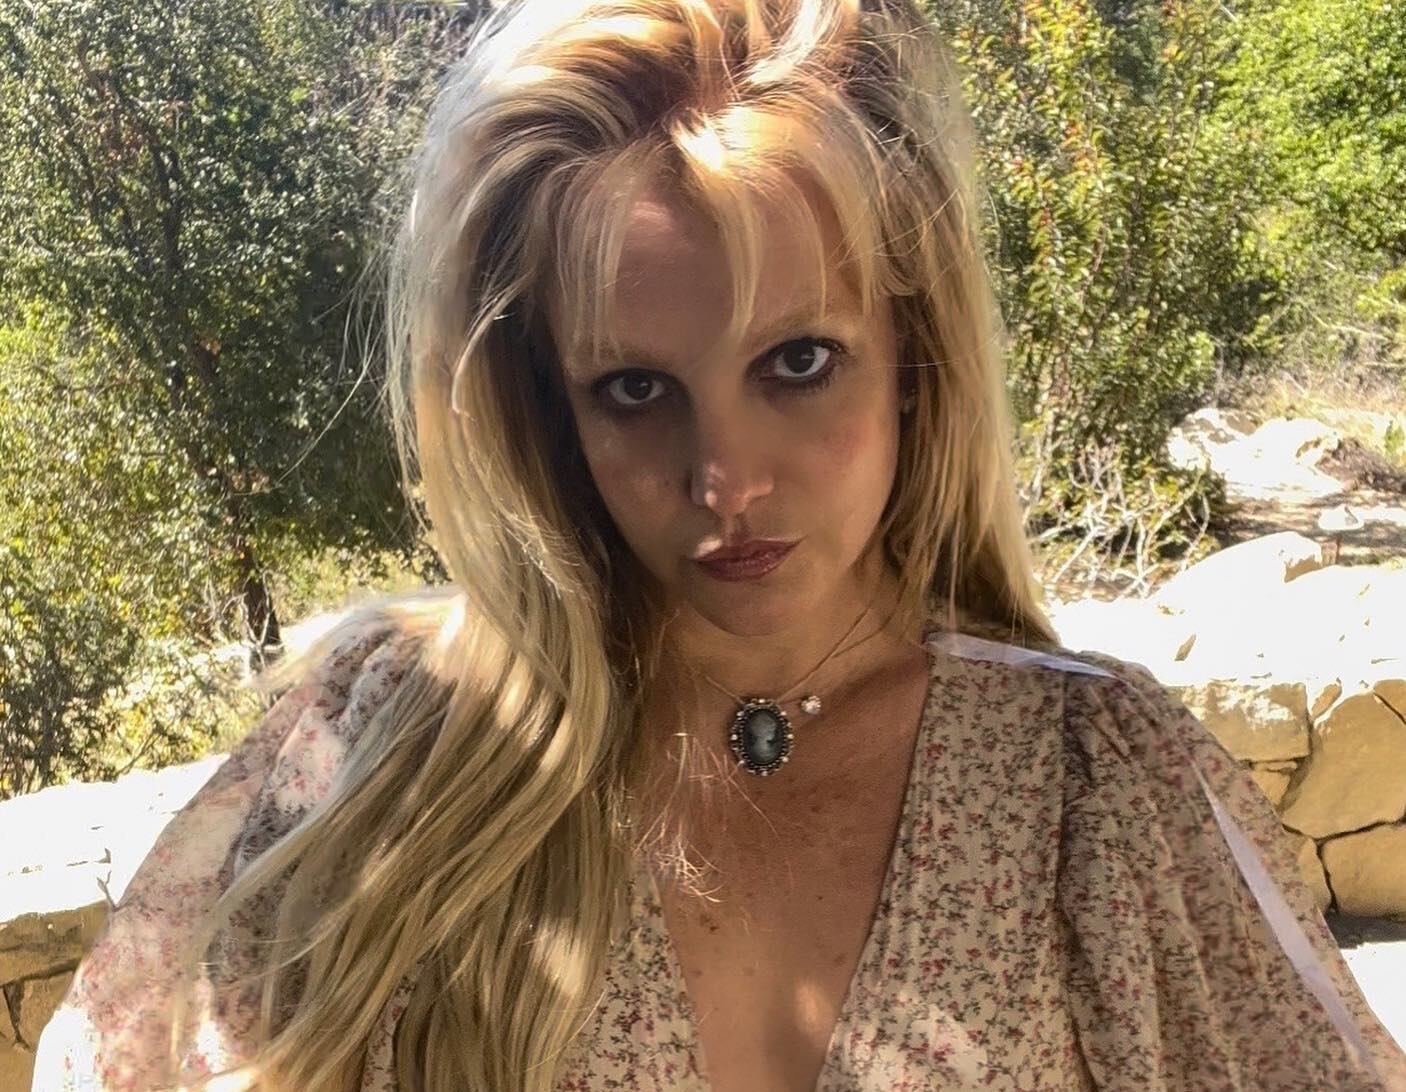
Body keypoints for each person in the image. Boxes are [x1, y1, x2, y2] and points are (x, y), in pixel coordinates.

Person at [30, 1, 1406, 1089]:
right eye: (634, 388)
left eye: (798, 361)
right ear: (546, 407)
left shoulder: (1093, 789)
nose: (723, 481)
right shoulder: (390, 748)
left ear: (914, 358)